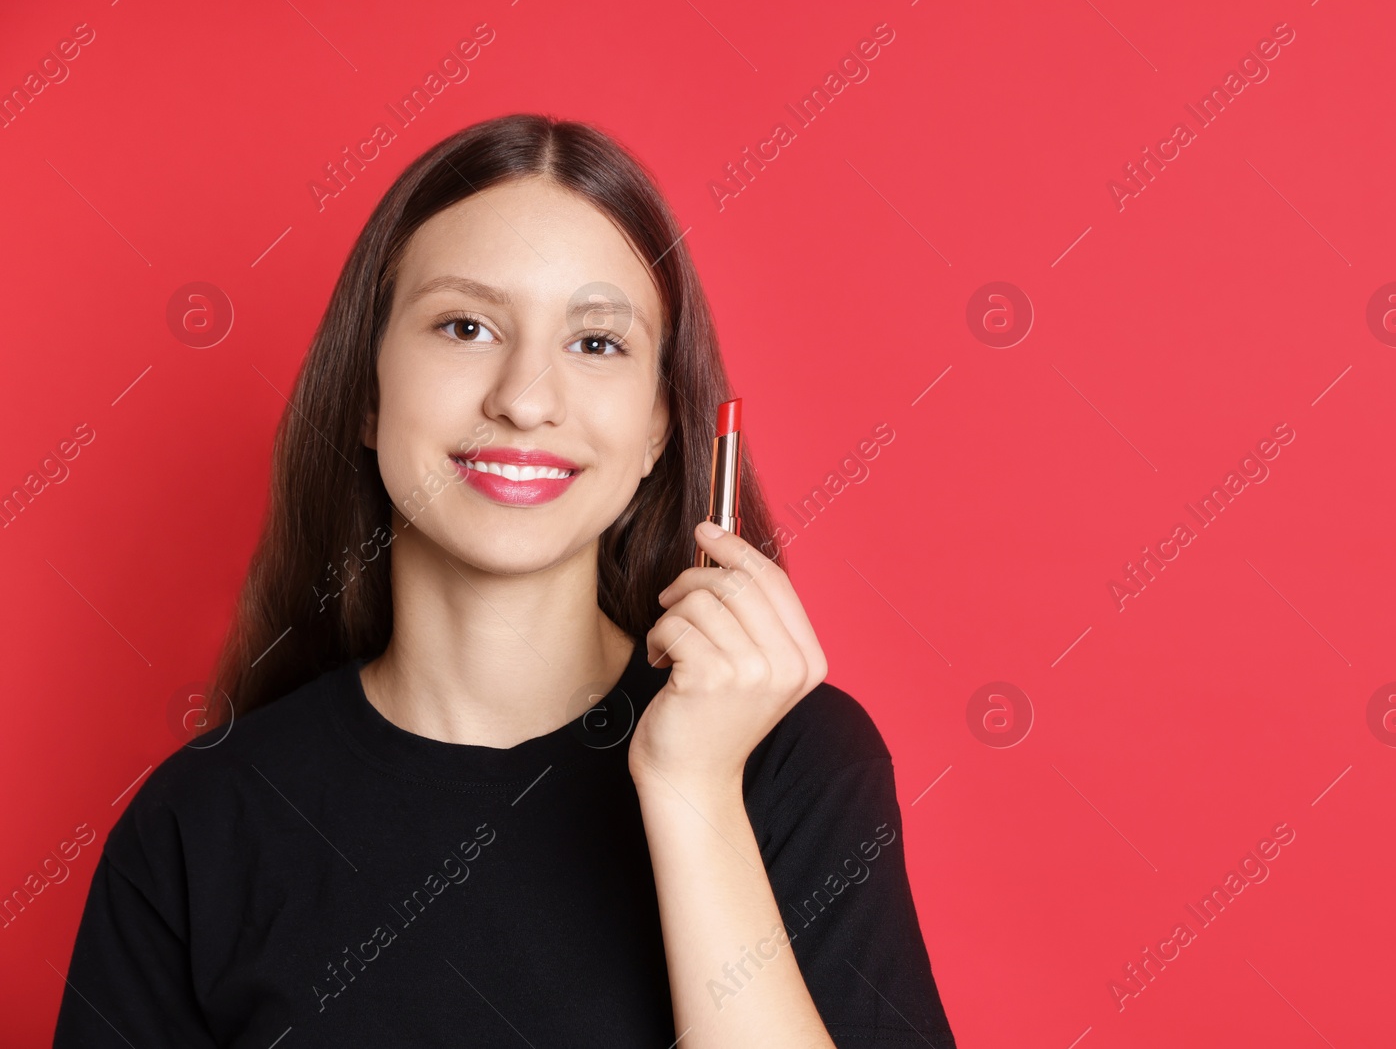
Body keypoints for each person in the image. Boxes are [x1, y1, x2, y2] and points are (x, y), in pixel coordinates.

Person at [51, 113, 957, 1048]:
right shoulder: (203, 823)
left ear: (657, 427)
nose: (524, 398)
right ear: (366, 393)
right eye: (466, 326)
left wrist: (693, 792)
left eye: (597, 343)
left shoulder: (792, 762)